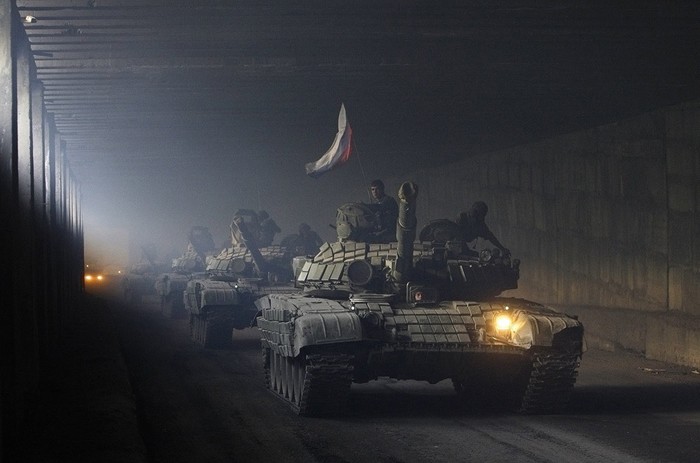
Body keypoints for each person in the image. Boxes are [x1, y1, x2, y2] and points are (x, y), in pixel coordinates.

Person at [367, 179, 399, 243]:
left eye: (377, 189)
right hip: (381, 234)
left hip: (390, 235)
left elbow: (379, 207)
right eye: (372, 189)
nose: (375, 192)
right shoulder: (377, 203)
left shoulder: (389, 201)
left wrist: (363, 206)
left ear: (382, 189)